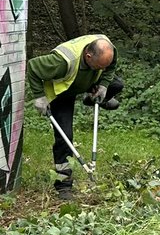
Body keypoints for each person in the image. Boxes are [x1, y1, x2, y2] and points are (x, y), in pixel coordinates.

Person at [27, 34, 122, 199]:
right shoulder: (62, 62)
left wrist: (104, 85)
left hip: (87, 80)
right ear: (88, 56)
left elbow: (110, 68)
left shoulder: (108, 50)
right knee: (65, 138)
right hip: (64, 92)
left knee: (117, 84)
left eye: (103, 67)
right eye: (99, 66)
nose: (102, 69)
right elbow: (33, 66)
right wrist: (39, 96)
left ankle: (93, 98)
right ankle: (63, 186)